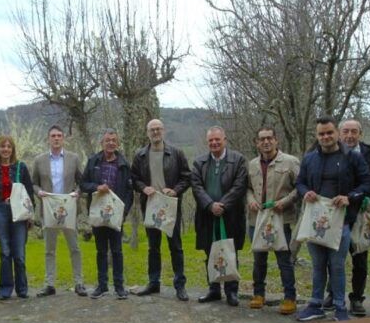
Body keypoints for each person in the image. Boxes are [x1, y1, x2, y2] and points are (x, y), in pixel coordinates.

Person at [295, 116, 370, 322]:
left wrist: (350, 197)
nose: (326, 137)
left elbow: (367, 183)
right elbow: (300, 182)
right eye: (321, 134)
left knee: (337, 265)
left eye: (329, 132)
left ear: (336, 133)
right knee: (318, 265)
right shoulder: (310, 158)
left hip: (342, 222)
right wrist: (306, 192)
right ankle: (315, 304)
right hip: (315, 221)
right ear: (317, 135)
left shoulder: (353, 158)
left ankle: (340, 307)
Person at [323, 119, 370, 316]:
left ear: (360, 134)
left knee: (360, 259)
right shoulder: (331, 155)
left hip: (361, 216)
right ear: (339, 134)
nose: (349, 135)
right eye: (346, 131)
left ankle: (357, 298)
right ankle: (333, 294)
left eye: (353, 131)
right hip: (337, 215)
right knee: (334, 259)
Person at [130, 118, 191, 301]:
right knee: (153, 247)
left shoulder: (176, 153)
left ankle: (180, 285)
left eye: (158, 129)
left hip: (170, 205)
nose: (155, 132)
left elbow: (187, 177)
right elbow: (134, 179)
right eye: (152, 130)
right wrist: (143, 188)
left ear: (163, 131)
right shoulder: (140, 155)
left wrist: (175, 190)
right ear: (147, 133)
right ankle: (153, 283)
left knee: (176, 247)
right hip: (150, 205)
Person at [191, 126, 248, 306]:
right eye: (211, 141)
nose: (214, 143)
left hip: (230, 215)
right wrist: (210, 205)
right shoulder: (199, 162)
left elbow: (240, 186)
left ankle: (232, 292)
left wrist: (222, 205)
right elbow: (196, 186)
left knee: (230, 252)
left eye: (217, 140)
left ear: (225, 139)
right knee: (210, 252)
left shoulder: (238, 160)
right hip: (207, 216)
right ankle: (214, 289)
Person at [245, 127, 299, 314]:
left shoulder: (290, 162)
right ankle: (258, 294)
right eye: (262, 139)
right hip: (257, 219)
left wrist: (283, 202)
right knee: (258, 259)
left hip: (281, 219)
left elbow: (300, 187)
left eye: (269, 138)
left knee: (284, 259)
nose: (266, 142)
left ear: (276, 141)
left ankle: (290, 297)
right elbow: (248, 188)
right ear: (257, 143)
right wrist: (251, 201)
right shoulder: (251, 165)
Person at [32, 125, 86, 297]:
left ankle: (79, 283)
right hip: (48, 210)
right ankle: (49, 285)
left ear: (63, 139)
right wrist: (38, 192)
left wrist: (77, 193)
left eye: (59, 136)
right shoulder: (39, 160)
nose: (56, 138)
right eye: (53, 136)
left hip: (68, 209)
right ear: (48, 139)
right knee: (49, 249)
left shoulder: (74, 158)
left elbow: (82, 181)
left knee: (75, 248)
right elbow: (33, 183)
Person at [80, 129, 134, 300]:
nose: (110, 143)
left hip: (116, 215)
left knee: (117, 251)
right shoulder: (93, 161)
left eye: (113, 140)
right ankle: (102, 286)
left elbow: (129, 192)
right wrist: (96, 187)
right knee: (101, 251)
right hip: (98, 214)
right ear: (101, 143)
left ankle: (119, 287)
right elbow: (83, 184)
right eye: (107, 140)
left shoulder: (124, 164)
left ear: (117, 144)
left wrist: (123, 212)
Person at [0, 135, 34, 300]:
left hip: (19, 212)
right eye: (2, 146)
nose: (5, 149)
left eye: (8, 146)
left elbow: (29, 192)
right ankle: (5, 289)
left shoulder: (21, 167)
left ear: (12, 149)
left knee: (19, 253)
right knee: (5, 252)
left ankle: (22, 289)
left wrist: (30, 215)